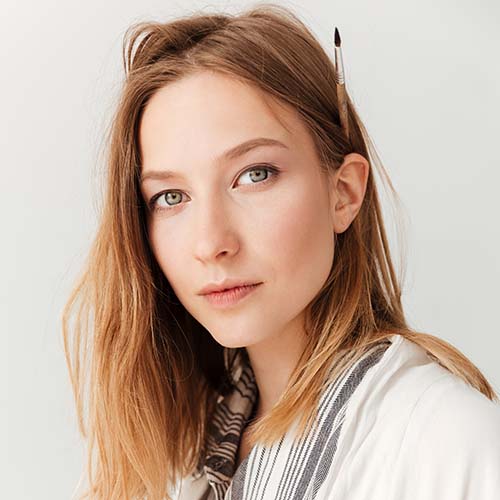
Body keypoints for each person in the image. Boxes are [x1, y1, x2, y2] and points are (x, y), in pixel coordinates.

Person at [61, 4, 500, 500]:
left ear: (344, 193)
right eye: (171, 197)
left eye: (255, 175)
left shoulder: (450, 445)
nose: (211, 243)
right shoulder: (170, 457)